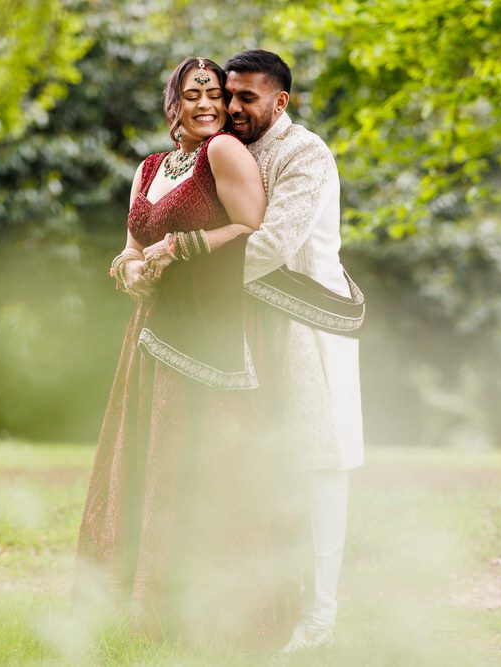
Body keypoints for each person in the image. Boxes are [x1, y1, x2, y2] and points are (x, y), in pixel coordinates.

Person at [75, 56, 298, 646]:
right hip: (150, 332)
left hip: (206, 328)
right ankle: (140, 610)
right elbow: (130, 243)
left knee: (199, 465)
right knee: (147, 459)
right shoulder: (149, 167)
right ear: (173, 102)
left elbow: (251, 224)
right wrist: (130, 271)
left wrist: (184, 246)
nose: (206, 104)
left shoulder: (223, 153)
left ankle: (216, 612)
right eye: (193, 94)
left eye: (215, 95)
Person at [222, 49, 365, 652]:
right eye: (229, 96)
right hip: (250, 325)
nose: (232, 108)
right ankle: (261, 610)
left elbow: (274, 244)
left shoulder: (305, 152)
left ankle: (320, 621)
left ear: (280, 101)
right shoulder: (233, 149)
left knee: (320, 465)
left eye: (246, 98)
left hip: (309, 324)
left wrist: (183, 269)